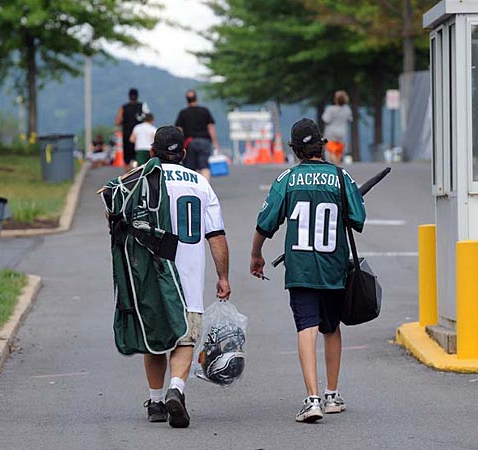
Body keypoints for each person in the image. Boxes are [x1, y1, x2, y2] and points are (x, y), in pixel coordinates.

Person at [249, 118, 365, 423]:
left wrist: (256, 254)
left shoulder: (286, 179)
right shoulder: (341, 177)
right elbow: (358, 218)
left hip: (300, 268)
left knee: (306, 328)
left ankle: (311, 399)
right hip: (333, 266)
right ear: (322, 146)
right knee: (331, 327)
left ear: (295, 149)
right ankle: (332, 394)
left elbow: (265, 224)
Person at [143, 126, 231, 428]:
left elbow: (111, 212)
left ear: (153, 152)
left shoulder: (140, 179)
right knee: (185, 337)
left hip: (151, 276)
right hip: (188, 279)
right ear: (183, 153)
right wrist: (223, 276)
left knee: (154, 340)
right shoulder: (200, 184)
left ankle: (155, 401)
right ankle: (176, 388)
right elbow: (216, 235)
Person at [175, 89, 220, 181]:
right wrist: (215, 143)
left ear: (187, 100)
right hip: (204, 141)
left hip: (189, 142)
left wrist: (180, 144)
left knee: (190, 167)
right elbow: (211, 128)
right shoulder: (204, 111)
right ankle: (205, 187)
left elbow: (179, 129)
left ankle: (192, 187)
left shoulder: (183, 113)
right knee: (204, 166)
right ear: (196, 98)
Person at [115, 88, 146, 170]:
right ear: (137, 96)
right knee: (139, 158)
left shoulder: (123, 108)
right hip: (139, 137)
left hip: (127, 136)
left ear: (128, 96)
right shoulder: (142, 106)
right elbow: (149, 118)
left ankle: (128, 177)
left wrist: (125, 120)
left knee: (127, 160)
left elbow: (117, 121)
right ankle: (138, 175)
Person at [322, 90, 353, 164]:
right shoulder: (347, 109)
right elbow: (350, 119)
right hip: (342, 132)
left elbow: (325, 119)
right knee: (338, 152)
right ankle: (337, 165)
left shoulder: (330, 109)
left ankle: (334, 165)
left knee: (331, 151)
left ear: (336, 99)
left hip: (331, 133)